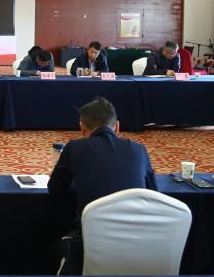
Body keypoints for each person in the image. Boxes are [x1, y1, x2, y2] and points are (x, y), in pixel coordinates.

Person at [48, 97, 157, 275]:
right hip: (140, 245)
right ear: (117, 127)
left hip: (91, 244)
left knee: (56, 246)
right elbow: (154, 193)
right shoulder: (139, 149)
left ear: (82, 127)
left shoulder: (74, 148)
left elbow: (55, 188)